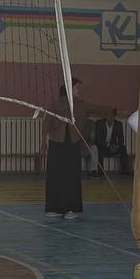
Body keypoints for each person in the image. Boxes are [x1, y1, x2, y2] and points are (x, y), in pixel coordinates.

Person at [42, 78, 105, 220]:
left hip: (72, 144)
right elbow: (46, 124)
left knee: (71, 176)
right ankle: (53, 208)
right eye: (77, 88)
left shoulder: (80, 106)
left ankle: (71, 208)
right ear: (69, 90)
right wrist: (43, 143)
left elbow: (94, 110)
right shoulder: (55, 104)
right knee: (55, 175)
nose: (80, 91)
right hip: (56, 144)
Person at [95, 108, 128, 175]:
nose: (109, 116)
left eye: (111, 115)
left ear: (114, 115)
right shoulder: (99, 123)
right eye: (108, 115)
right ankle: (100, 171)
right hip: (103, 146)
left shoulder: (118, 124)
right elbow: (98, 139)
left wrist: (117, 146)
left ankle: (125, 171)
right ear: (105, 115)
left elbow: (121, 139)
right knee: (97, 148)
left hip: (113, 147)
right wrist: (108, 145)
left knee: (123, 148)